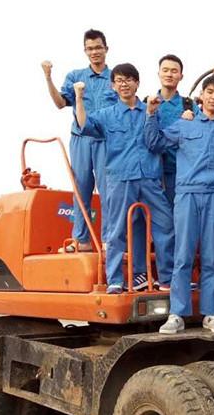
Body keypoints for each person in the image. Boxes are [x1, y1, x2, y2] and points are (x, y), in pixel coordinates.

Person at [145, 75, 214, 333]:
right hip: (187, 195)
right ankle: (176, 314)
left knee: (211, 257)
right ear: (202, 95)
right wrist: (151, 114)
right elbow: (155, 143)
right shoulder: (184, 124)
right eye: (210, 92)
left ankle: (210, 313)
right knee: (183, 255)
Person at [73, 63, 174, 294]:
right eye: (119, 80)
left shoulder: (151, 109)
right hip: (120, 179)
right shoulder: (106, 115)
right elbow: (83, 124)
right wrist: (79, 98)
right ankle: (115, 280)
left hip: (149, 178)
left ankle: (167, 278)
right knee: (116, 230)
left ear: (137, 83)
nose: (124, 84)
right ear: (113, 86)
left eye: (128, 79)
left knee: (165, 225)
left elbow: (158, 140)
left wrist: (153, 113)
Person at [42, 29, 118, 250]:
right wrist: (48, 77)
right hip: (81, 140)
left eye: (98, 47)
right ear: (85, 51)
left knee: (108, 190)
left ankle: (108, 240)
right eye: (90, 48)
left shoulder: (116, 78)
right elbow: (60, 103)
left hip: (106, 140)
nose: (94, 52)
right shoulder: (75, 76)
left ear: (106, 48)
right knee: (81, 189)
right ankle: (81, 240)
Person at [148, 54, 199, 205]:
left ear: (181, 76)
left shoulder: (189, 106)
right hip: (152, 174)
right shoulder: (147, 104)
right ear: (158, 73)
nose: (169, 74)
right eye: (165, 70)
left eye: (174, 71)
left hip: (181, 174)